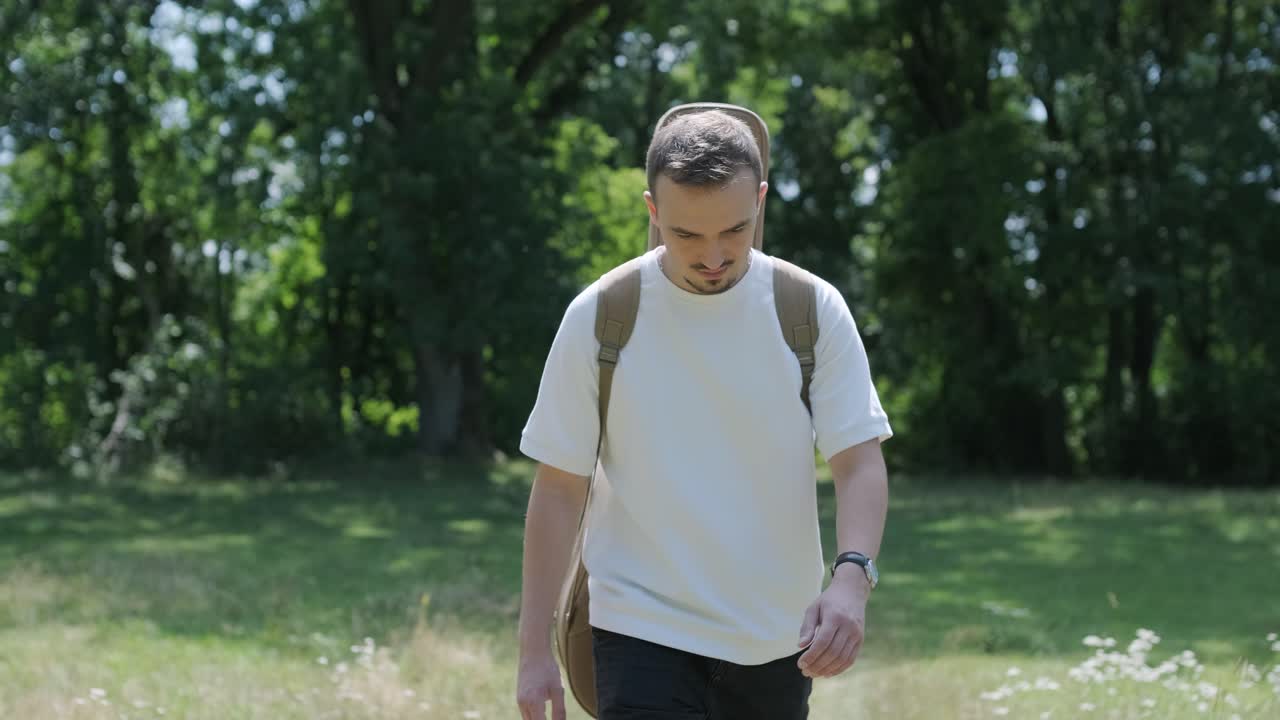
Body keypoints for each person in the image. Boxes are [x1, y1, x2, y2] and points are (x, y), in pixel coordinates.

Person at [515, 108, 893, 720]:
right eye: (688, 235)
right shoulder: (602, 317)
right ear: (653, 210)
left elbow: (858, 462)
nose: (714, 256)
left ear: (761, 201)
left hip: (775, 638)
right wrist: (534, 653)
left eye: (735, 231)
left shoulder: (810, 310)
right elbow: (558, 489)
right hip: (638, 628)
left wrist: (852, 580)